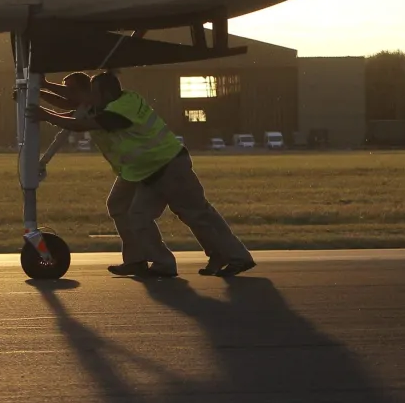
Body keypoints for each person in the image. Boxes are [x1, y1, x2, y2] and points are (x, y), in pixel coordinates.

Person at [39, 71, 255, 278]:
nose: (88, 99)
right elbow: (72, 104)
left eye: (94, 94)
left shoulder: (120, 110)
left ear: (103, 94)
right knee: (135, 214)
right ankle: (154, 262)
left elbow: (79, 123)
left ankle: (236, 256)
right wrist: (43, 87)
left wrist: (43, 113)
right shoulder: (106, 103)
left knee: (196, 213)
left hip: (168, 165)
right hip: (146, 171)